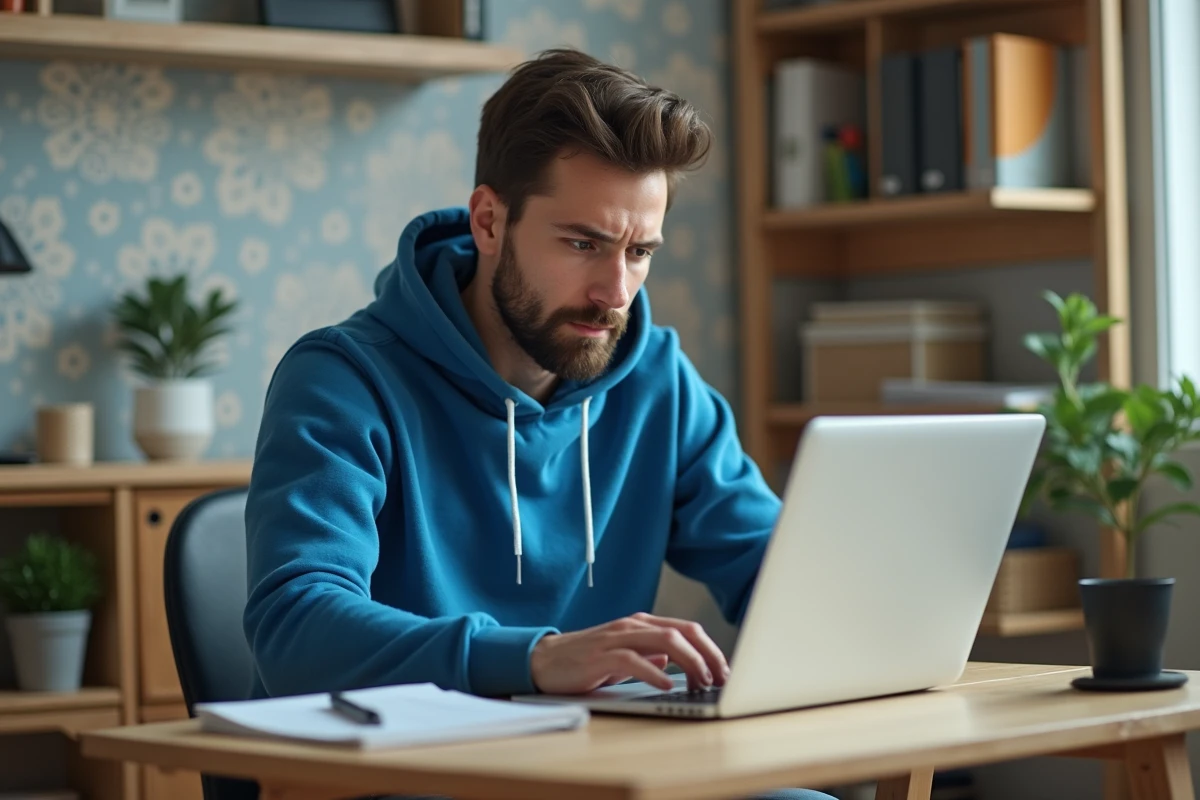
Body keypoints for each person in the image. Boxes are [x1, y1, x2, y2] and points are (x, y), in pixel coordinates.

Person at [243, 48, 834, 800]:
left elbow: (775, 575)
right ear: (490, 221)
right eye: (583, 244)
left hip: (592, 773)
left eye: (639, 251)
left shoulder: (656, 380)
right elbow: (293, 628)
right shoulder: (344, 379)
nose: (614, 292)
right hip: (406, 779)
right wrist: (533, 658)